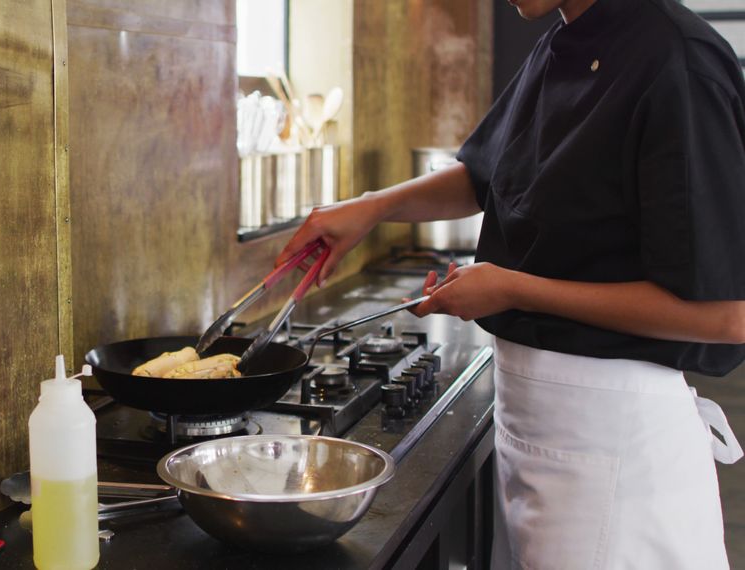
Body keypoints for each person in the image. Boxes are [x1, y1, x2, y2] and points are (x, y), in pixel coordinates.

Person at [277, 0, 745, 567]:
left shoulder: (679, 60)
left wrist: (514, 288)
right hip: (531, 434)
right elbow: (486, 176)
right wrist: (369, 209)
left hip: (617, 453)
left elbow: (725, 314)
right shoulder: (560, 42)